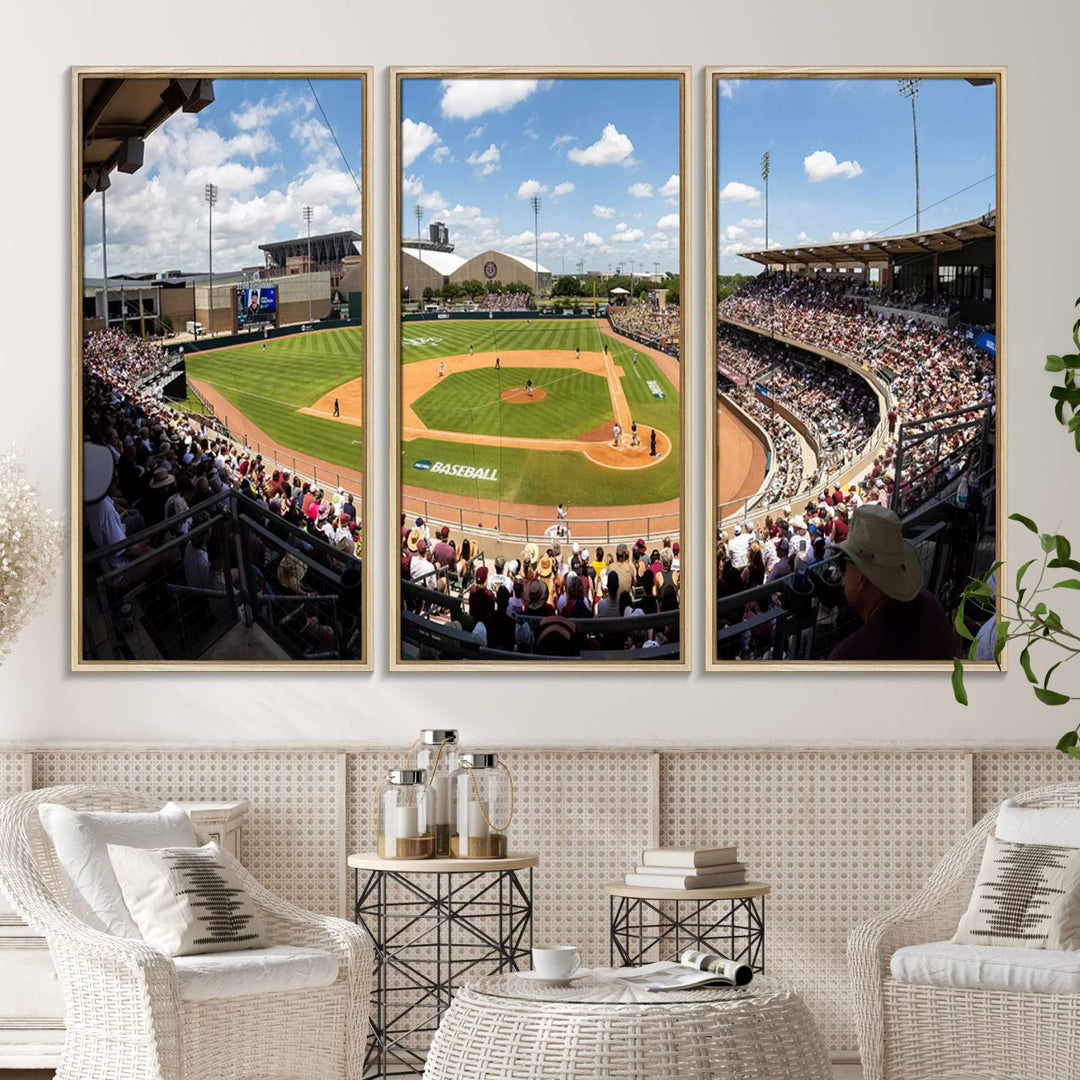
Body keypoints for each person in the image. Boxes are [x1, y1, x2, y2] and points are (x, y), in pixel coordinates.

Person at [829, 505, 955, 661]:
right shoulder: (931, 605)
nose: (843, 574)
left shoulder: (850, 656)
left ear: (861, 577)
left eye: (844, 565)